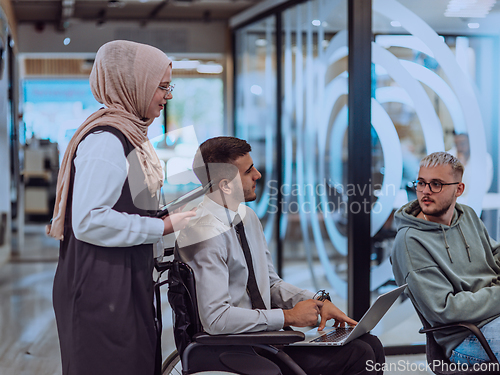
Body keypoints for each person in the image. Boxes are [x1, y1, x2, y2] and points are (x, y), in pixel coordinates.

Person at [175, 136, 385, 375]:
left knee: (370, 343)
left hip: (265, 341)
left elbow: (271, 284)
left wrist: (318, 300)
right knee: (360, 355)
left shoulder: (247, 218)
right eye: (248, 171)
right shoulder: (204, 233)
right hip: (235, 347)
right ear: (225, 185)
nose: (258, 175)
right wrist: (287, 317)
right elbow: (217, 319)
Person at [47, 40, 196, 375]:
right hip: (101, 291)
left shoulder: (129, 135)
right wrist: (162, 227)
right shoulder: (107, 141)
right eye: (161, 86)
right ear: (134, 85)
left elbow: (123, 206)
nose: (167, 96)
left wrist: (162, 217)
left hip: (119, 283)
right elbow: (88, 220)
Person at [391, 151, 500, 365]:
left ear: (459, 189)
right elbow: (446, 310)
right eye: (421, 183)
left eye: (436, 184)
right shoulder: (409, 241)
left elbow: (494, 254)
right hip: (467, 337)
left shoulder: (467, 215)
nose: (425, 191)